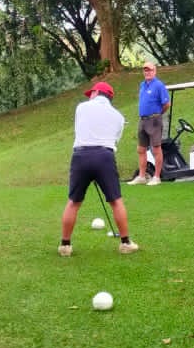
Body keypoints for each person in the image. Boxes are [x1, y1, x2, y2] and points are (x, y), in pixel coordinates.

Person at [58, 82, 138, 256]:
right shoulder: (118, 117)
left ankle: (65, 246)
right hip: (104, 156)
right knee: (116, 201)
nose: (89, 97)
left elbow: (80, 129)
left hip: (80, 156)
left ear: (96, 92)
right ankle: (125, 243)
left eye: (91, 93)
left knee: (74, 202)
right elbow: (114, 140)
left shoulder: (81, 108)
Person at [127, 61, 170, 186]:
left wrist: (158, 114)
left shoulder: (159, 85)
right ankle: (142, 176)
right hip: (143, 120)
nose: (147, 72)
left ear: (154, 71)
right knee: (141, 149)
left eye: (150, 70)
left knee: (156, 148)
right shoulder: (142, 85)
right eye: (145, 70)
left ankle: (156, 177)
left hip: (154, 119)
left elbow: (166, 104)